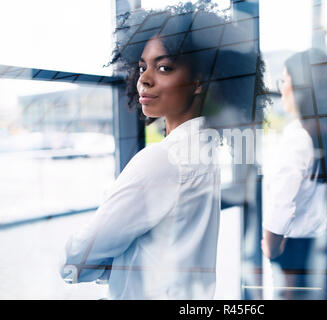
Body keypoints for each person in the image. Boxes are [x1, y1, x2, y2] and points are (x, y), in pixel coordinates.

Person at [60, 4, 230, 299]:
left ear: (199, 82)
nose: (144, 79)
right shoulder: (205, 150)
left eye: (163, 67)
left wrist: (114, 262)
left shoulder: (162, 160)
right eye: (142, 67)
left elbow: (74, 260)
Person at [261, 49, 327, 299]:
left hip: (290, 243)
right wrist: (325, 224)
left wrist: (270, 248)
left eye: (285, 79)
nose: (282, 88)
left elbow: (281, 207)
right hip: (313, 242)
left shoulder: (297, 139)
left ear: (301, 87)